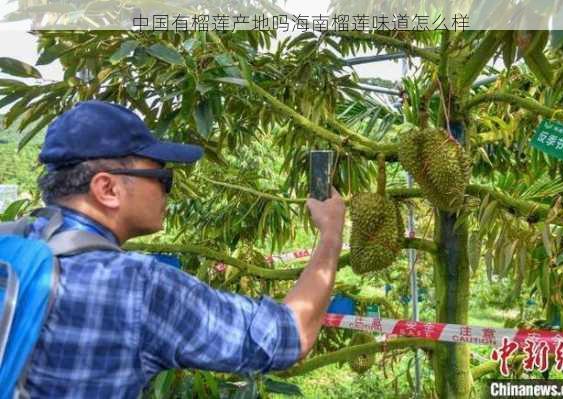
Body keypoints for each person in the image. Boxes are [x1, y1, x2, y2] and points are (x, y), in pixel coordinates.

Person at [20, 101, 346, 398]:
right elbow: (288, 335)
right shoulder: (136, 286)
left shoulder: (16, 246)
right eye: (162, 177)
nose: (167, 192)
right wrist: (331, 234)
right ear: (107, 188)